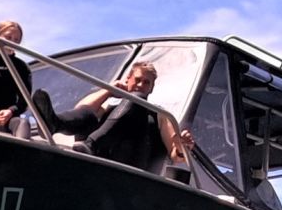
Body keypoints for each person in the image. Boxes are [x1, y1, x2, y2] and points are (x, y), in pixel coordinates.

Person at [56, 58, 193, 174]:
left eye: (146, 82)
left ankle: (92, 145)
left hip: (134, 168)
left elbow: (176, 156)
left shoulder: (161, 115)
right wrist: (109, 90)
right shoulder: (111, 106)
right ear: (128, 79)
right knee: (91, 115)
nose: (141, 85)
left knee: (137, 99)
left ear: (152, 88)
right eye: (138, 79)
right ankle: (54, 123)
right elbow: (83, 109)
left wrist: (182, 148)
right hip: (102, 162)